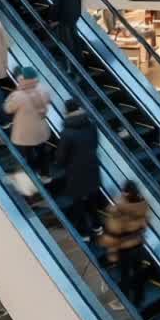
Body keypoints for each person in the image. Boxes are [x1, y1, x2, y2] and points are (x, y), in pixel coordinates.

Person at [56, 100, 101, 238]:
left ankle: (83, 232)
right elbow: (95, 143)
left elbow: (61, 157)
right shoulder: (91, 125)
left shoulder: (67, 133)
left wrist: (61, 164)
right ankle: (97, 226)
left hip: (75, 172)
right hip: (92, 167)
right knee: (93, 198)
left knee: (78, 202)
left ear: (67, 112)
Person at [101, 180, 149, 304]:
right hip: (138, 244)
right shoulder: (143, 204)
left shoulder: (118, 209)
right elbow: (146, 222)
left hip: (124, 247)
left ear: (126, 193)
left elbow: (113, 232)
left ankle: (124, 301)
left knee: (125, 275)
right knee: (138, 271)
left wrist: (112, 253)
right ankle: (139, 298)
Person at [5, 67, 51, 179]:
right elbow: (47, 102)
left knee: (28, 155)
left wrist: (12, 94)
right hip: (40, 130)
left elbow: (8, 109)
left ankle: (32, 176)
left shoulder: (18, 95)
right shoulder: (43, 90)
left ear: (23, 78)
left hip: (25, 133)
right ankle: (45, 175)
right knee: (42, 153)